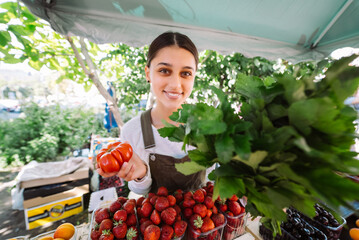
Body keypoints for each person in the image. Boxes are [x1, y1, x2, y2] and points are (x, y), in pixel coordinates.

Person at [97, 31, 207, 195]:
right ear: (148, 73)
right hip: (153, 221)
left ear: (194, 77)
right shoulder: (132, 131)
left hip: (203, 219)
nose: (176, 84)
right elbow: (139, 192)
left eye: (186, 73)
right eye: (164, 70)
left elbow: (212, 183)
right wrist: (140, 174)